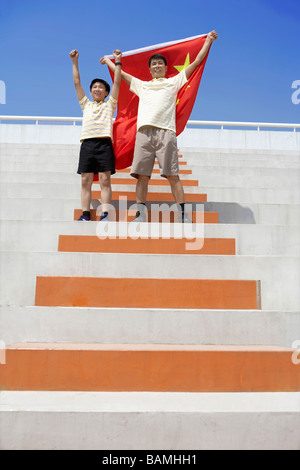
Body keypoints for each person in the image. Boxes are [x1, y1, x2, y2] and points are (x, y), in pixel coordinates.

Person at [101, 31, 218, 222]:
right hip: (144, 134)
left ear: (165, 67)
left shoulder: (174, 81)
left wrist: (208, 41)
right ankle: (140, 214)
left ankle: (182, 214)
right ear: (150, 69)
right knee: (142, 177)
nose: (157, 66)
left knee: (173, 176)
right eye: (153, 64)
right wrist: (112, 61)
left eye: (160, 64)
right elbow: (120, 74)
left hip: (166, 133)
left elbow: (196, 62)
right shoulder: (142, 85)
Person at [69, 49, 122, 221]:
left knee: (105, 180)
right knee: (85, 180)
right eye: (94, 87)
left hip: (104, 144)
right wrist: (74, 61)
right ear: (91, 92)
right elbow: (77, 83)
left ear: (106, 92)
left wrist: (116, 61)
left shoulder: (110, 105)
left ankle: (105, 213)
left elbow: (118, 82)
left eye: (100, 87)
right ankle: (86, 214)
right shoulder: (86, 104)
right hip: (87, 144)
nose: (97, 89)